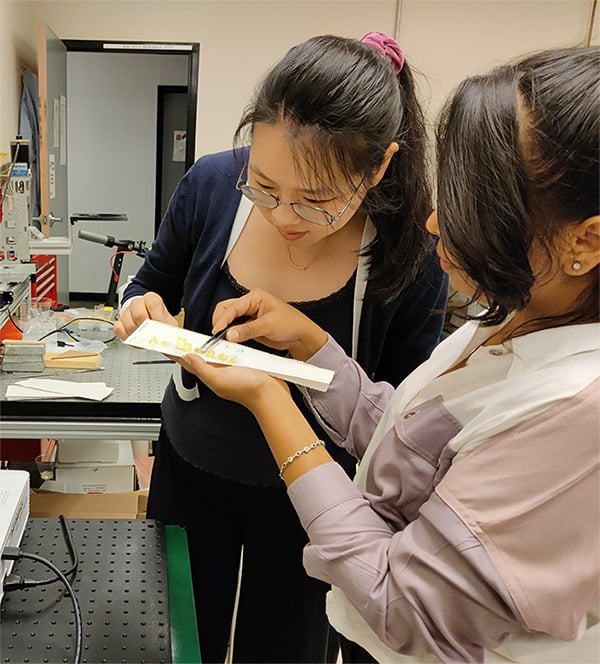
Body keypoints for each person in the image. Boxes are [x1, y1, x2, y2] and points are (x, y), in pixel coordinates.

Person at [175, 46, 600, 663]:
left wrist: (272, 399)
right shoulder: (519, 312)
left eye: (474, 206)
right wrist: (312, 346)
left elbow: (403, 603)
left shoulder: (577, 409)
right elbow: (411, 439)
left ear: (585, 238)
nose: (435, 224)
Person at [114, 33, 448, 663]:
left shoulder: (409, 251)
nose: (283, 214)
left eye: (317, 200)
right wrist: (138, 308)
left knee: (286, 648)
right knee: (177, 640)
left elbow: (402, 424)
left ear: (378, 168)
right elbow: (147, 282)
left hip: (315, 506)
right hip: (189, 471)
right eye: (263, 186)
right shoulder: (212, 184)